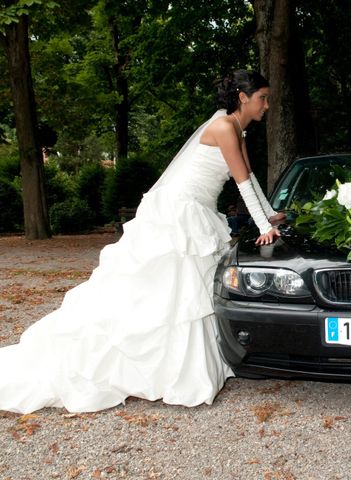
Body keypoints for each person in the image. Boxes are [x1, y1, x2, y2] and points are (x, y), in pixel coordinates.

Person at [0, 69, 285, 414]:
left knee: (184, 293)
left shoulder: (237, 128)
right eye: (263, 98)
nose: (266, 105)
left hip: (197, 210)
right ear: (243, 97)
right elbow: (240, 182)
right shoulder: (225, 127)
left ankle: (187, 367)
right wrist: (263, 227)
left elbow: (250, 178)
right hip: (180, 213)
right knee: (170, 293)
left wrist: (270, 215)